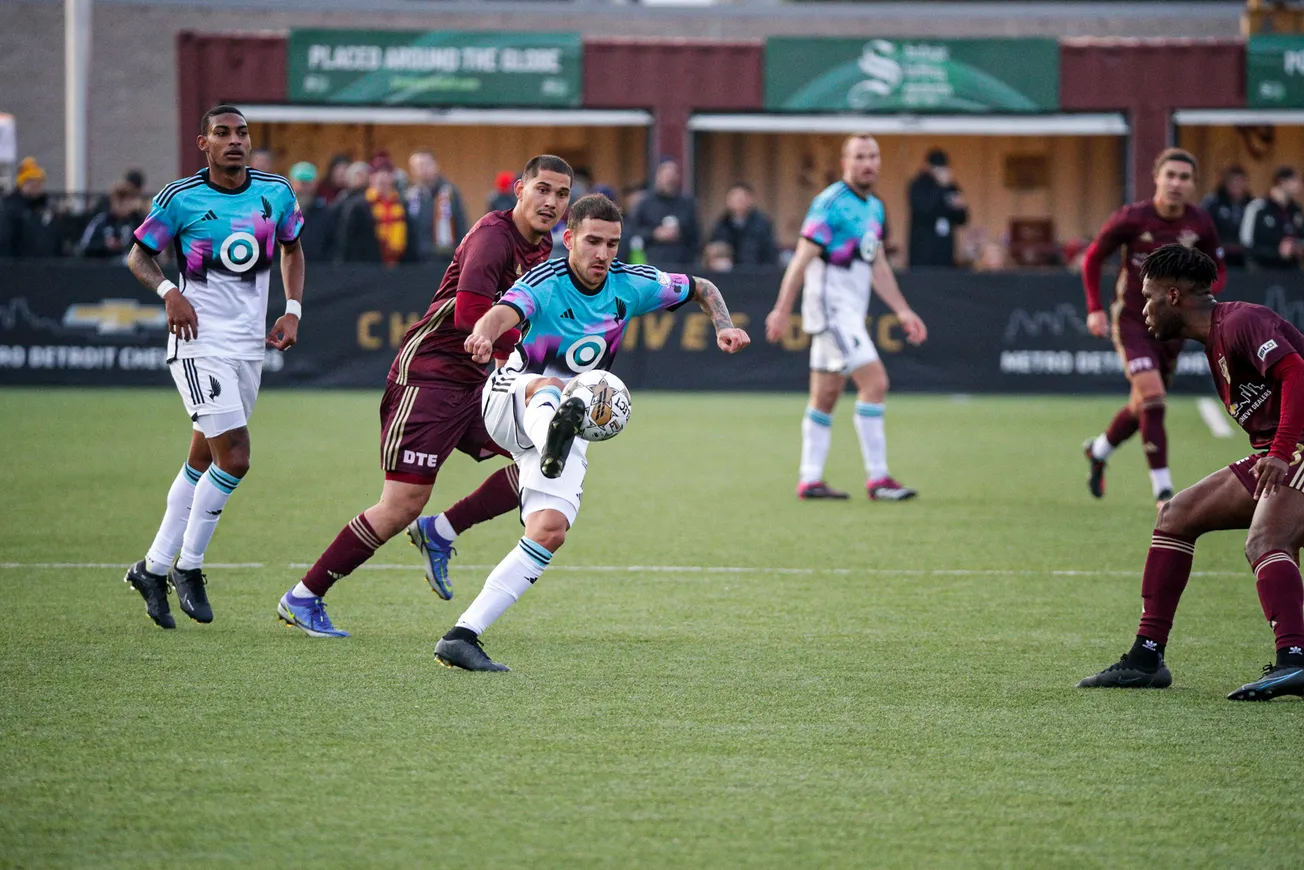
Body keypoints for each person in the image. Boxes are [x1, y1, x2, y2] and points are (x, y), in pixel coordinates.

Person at [429, 193, 750, 671]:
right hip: (510, 396)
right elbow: (504, 313)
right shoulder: (544, 281)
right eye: (593, 242)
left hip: (569, 420)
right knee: (553, 385)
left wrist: (723, 325)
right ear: (569, 238)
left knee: (550, 530)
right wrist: (482, 331)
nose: (603, 253)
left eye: (612, 244)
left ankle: (462, 636)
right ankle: (556, 424)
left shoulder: (630, 284)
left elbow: (701, 286)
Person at [275, 155, 575, 638]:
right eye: (543, 189)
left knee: (543, 458)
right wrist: (518, 358)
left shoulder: (543, 254)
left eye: (561, 194)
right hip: (432, 375)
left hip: (482, 381)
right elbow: (470, 314)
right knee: (401, 505)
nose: (551, 202)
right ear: (519, 189)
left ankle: (442, 531)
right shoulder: (492, 237)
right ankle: (304, 596)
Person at [1079, 244, 1304, 701]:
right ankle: (1146, 657)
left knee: (1266, 541)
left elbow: (1296, 371)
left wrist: (1281, 452)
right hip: (1277, 453)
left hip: (1295, 451)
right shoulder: (1217, 337)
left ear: (1175, 296)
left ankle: (1294, 660)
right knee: (1176, 516)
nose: (1143, 309)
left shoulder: (1242, 321)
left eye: (1148, 297)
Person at [123, 105, 304, 629]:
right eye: (222, 133)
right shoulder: (181, 198)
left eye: (241, 133)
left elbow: (293, 249)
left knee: (203, 458)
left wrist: (291, 309)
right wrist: (168, 291)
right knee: (238, 455)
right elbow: (138, 255)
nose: (234, 141)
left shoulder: (276, 193)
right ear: (203, 143)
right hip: (198, 343)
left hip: (250, 346)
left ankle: (152, 568)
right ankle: (189, 565)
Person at [763, 134, 928, 502]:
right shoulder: (830, 204)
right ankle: (879, 478)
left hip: (849, 312)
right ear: (845, 163)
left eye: (873, 156)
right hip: (831, 312)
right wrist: (781, 308)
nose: (868, 163)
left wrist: (902, 309)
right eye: (860, 157)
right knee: (876, 383)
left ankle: (809, 480)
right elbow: (802, 259)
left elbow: (878, 264)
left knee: (826, 395)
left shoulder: (875, 208)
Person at [1081, 148, 1226, 507]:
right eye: (1170, 175)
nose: (1176, 183)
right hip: (1132, 320)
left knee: (1142, 404)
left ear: (1193, 184)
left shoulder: (1200, 224)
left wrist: (1201, 298)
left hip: (1173, 329)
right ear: (1156, 178)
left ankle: (1099, 450)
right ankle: (1164, 492)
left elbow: (1218, 271)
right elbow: (1093, 257)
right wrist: (1095, 308)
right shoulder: (1132, 218)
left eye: (1184, 177)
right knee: (1154, 397)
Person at [629, 158, 699, 266]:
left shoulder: (687, 203)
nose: (669, 179)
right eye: (666, 175)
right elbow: (633, 231)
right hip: (652, 263)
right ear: (658, 177)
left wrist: (679, 233)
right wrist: (655, 234)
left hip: (683, 264)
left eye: (672, 175)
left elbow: (696, 234)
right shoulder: (645, 203)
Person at [907, 149, 968, 268]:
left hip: (944, 249)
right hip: (923, 249)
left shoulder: (951, 186)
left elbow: (962, 219)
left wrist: (959, 207)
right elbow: (924, 210)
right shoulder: (918, 185)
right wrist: (940, 188)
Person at [407, 149, 468, 260]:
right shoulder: (409, 196)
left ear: (436, 166)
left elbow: (461, 225)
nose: (422, 170)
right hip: (416, 261)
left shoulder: (450, 193)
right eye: (417, 166)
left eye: (425, 165)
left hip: (446, 257)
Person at [1240, 166, 1304, 271]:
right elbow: (1247, 242)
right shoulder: (1258, 208)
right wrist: (1277, 252)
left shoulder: (1296, 210)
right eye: (1295, 180)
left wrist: (1296, 248)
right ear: (1282, 182)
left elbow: (1301, 236)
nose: (1298, 185)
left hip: (1291, 270)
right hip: (1263, 270)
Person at [0, 157, 62, 258]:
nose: (36, 185)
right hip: (21, 268)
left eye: (39, 181)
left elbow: (56, 239)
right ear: (22, 183)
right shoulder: (10, 208)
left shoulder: (48, 208)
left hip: (48, 267)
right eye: (31, 181)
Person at [708, 182, 778, 266]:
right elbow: (716, 246)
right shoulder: (722, 223)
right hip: (729, 273)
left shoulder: (762, 224)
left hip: (755, 271)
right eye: (733, 198)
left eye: (740, 198)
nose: (737, 202)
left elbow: (769, 252)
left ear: (750, 200)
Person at [1201, 165, 1253, 268]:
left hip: (1244, 256)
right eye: (1232, 181)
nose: (1236, 185)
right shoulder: (1212, 203)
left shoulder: (1252, 205)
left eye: (1240, 181)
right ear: (1225, 183)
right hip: (1217, 253)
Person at [77, 181, 143, 260]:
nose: (129, 207)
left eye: (131, 203)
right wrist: (105, 245)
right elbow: (84, 247)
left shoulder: (135, 222)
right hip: (102, 267)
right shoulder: (101, 221)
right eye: (126, 203)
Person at [332, 161, 381, 263]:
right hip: (349, 256)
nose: (359, 178)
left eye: (363, 174)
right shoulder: (342, 200)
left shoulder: (376, 199)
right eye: (356, 175)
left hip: (372, 256)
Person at [367, 156, 408, 266]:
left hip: (398, 265)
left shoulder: (402, 204)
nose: (382, 178)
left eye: (386, 173)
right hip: (369, 265)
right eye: (377, 173)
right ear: (371, 178)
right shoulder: (361, 205)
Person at [288, 161, 331, 261]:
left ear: (315, 185)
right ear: (291, 183)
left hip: (319, 270)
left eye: (308, 183)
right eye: (301, 183)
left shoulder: (325, 212)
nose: (304, 188)